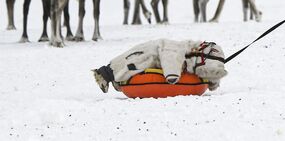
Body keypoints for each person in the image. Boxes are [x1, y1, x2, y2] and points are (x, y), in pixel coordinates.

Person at [92, 39, 228, 93]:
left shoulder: (192, 55)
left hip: (150, 54)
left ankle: (110, 76)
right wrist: (172, 73)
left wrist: (212, 83)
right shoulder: (179, 48)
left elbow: (212, 64)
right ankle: (106, 75)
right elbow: (171, 55)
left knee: (130, 65)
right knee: (131, 64)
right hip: (150, 53)